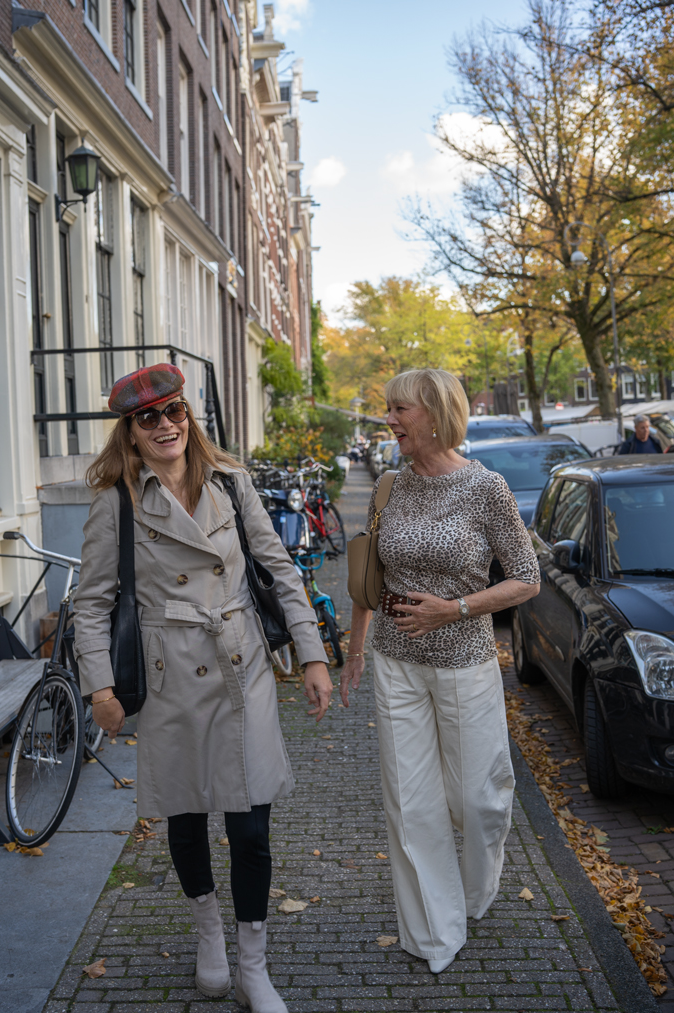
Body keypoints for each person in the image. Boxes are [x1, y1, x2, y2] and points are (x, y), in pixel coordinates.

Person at [73, 363, 333, 1013]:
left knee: (250, 829)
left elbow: (278, 570)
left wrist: (312, 654)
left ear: (189, 416)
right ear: (129, 433)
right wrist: (99, 686)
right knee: (186, 822)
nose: (167, 424)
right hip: (168, 678)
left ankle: (253, 965)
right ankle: (208, 935)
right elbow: (90, 602)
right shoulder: (116, 499)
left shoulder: (232, 481)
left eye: (175, 411)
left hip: (240, 664)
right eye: (149, 417)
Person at [340, 368, 540, 974]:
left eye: (399, 410)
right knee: (411, 803)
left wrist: (453, 608)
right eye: (389, 410)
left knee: (479, 801)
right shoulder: (388, 486)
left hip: (465, 663)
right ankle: (433, 930)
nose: (390, 421)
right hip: (397, 665)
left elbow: (526, 577)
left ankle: (475, 894)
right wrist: (354, 654)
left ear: (433, 412)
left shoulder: (486, 488)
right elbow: (367, 575)